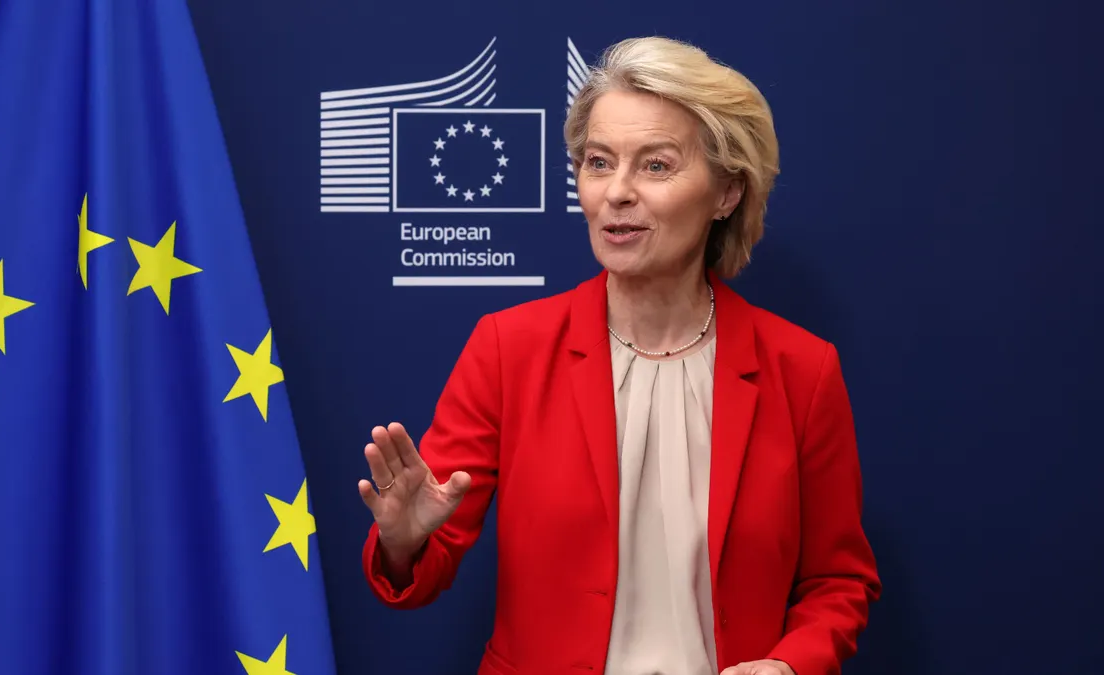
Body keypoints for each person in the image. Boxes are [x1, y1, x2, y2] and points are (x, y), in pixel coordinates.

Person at [357, 35, 881, 675]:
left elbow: (838, 582)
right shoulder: (509, 347)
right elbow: (422, 567)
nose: (617, 192)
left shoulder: (802, 369)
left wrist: (789, 665)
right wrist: (404, 541)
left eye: (656, 166)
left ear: (727, 193)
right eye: (599, 162)